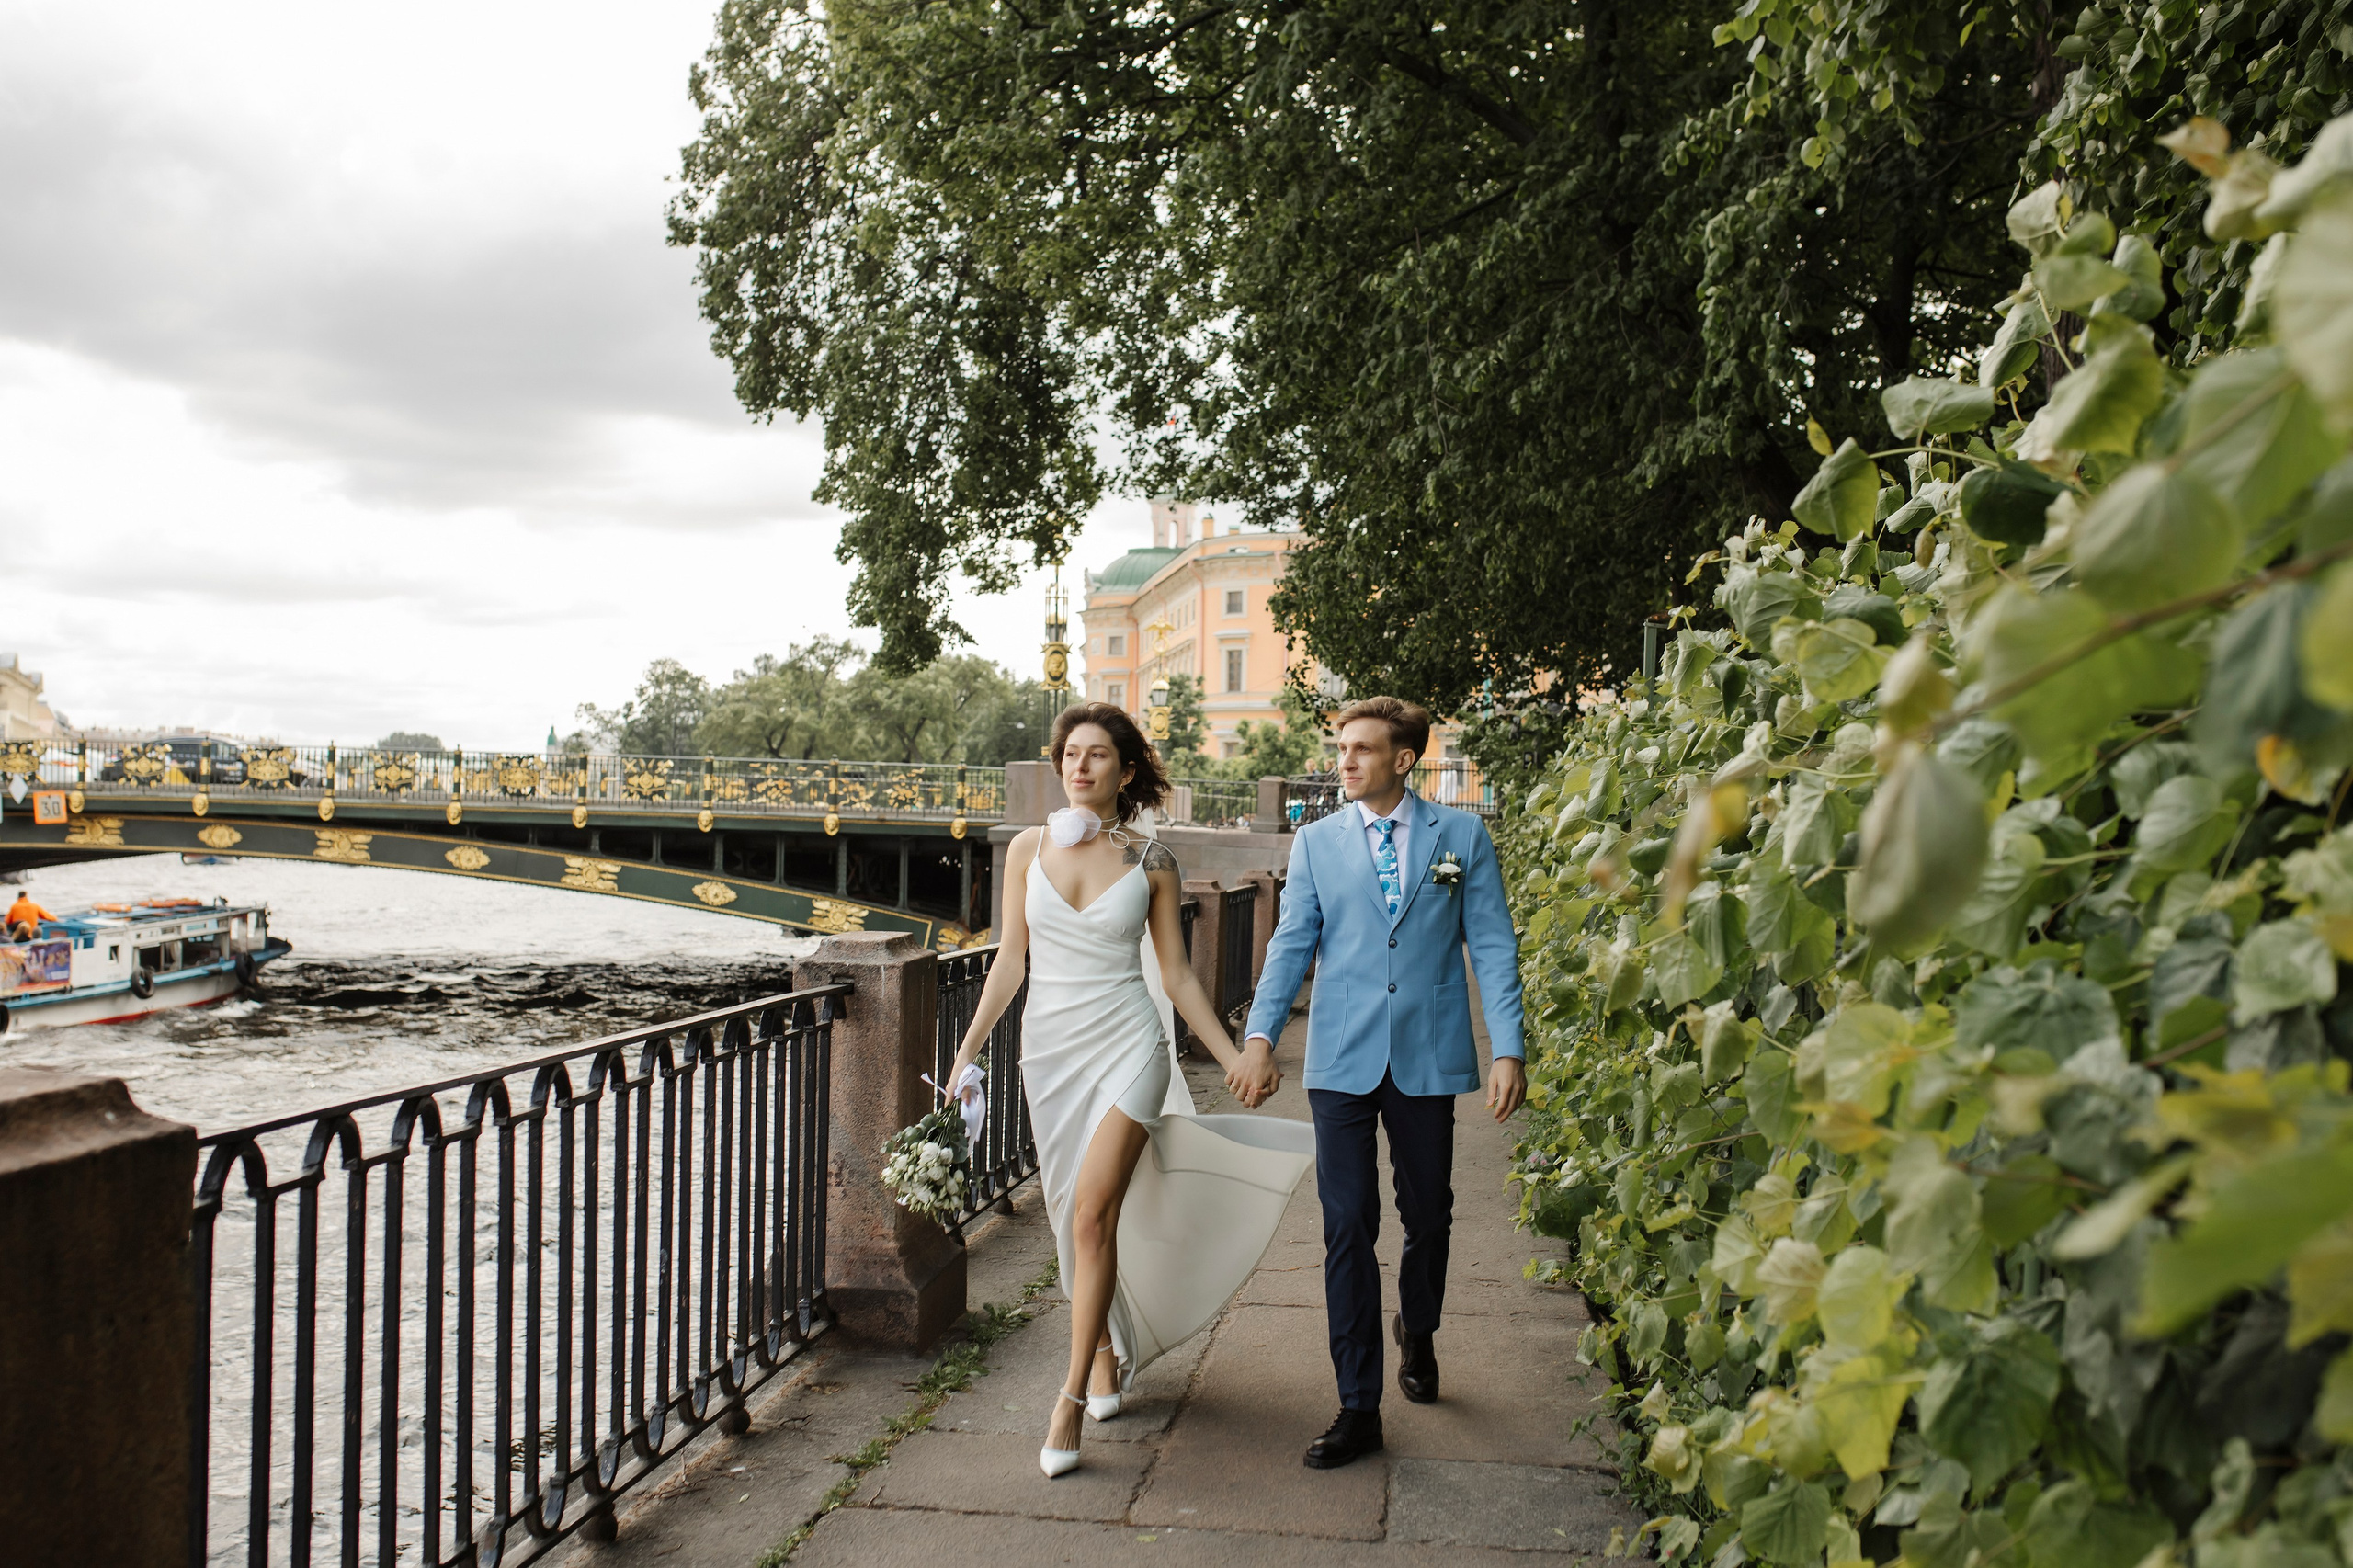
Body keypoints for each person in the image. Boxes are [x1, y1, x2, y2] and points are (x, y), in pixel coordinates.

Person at [947, 702, 1313, 1479]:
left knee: (1091, 1213)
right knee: (1071, 1218)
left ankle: (1068, 1399)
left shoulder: (1153, 861)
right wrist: (966, 1050)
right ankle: (1105, 1350)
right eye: (1069, 754)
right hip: (1050, 1054)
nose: (1079, 767)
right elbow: (1010, 960)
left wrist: (1237, 1056)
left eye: (1097, 755)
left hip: (1128, 1047)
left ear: (1125, 770)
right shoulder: (1027, 849)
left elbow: (1176, 976)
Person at [1242, 695, 1527, 1470]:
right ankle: (1358, 1405)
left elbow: (1492, 944)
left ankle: (1419, 1328)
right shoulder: (1316, 843)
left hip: (1428, 1052)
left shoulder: (1461, 837)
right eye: (1342, 749)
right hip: (1340, 1056)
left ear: (1403, 759)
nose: (1346, 762)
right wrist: (1260, 1038)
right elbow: (1291, 945)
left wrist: (1508, 1048)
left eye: (1362, 749)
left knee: (1428, 1213)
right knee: (1347, 1223)